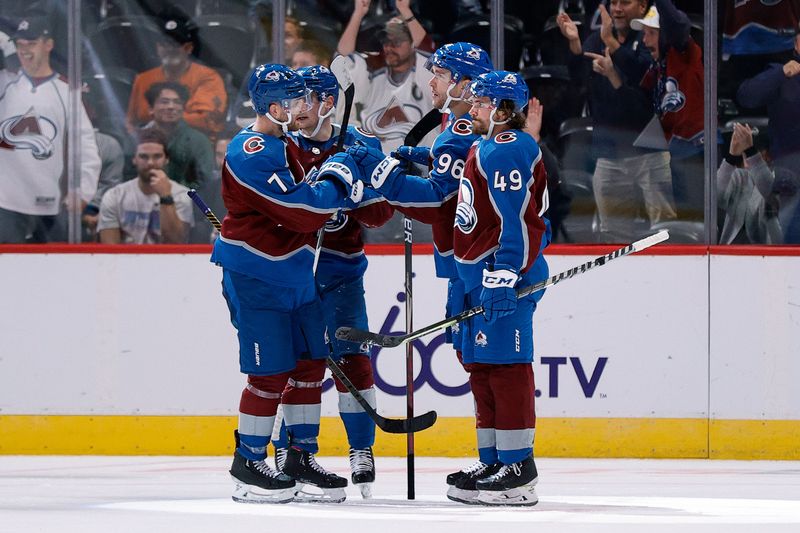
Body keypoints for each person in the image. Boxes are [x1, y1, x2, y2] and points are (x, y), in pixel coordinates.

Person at [347, 70, 549, 506]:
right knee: (483, 370)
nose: (471, 109)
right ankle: (494, 460)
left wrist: (504, 274)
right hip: (480, 275)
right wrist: (416, 159)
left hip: (504, 279)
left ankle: (519, 469)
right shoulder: (485, 145)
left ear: (501, 109)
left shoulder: (507, 150)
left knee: (508, 370)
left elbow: (517, 222)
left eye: (479, 103)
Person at [211, 64, 363, 504]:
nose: (304, 107)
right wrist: (336, 180)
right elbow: (302, 211)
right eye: (295, 100)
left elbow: (313, 193)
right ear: (273, 107)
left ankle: (298, 456)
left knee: (310, 364)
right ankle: (250, 460)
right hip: (257, 276)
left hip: (295, 273)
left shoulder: (284, 142)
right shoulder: (252, 151)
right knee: (270, 371)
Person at [269, 65, 393, 499]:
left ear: (327, 103)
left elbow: (381, 214)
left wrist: (352, 183)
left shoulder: (360, 145)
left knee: (352, 359)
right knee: (300, 365)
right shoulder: (280, 146)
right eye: (290, 99)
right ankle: (296, 451)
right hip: (295, 272)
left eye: (302, 99)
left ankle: (362, 449)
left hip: (341, 271)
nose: (294, 108)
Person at [557, 0, 676, 242]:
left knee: (666, 232)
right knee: (613, 236)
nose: (617, 9)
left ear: (642, 7)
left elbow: (643, 96)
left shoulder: (649, 40)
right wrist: (575, 44)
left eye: (625, 2)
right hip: (609, 154)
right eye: (614, 2)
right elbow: (578, 79)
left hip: (649, 151)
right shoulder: (596, 39)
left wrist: (613, 64)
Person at [0, 16, 100, 243]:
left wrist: (82, 191)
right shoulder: (5, 84)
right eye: (20, 44)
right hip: (4, 204)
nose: (24, 50)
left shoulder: (66, 93)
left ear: (48, 45)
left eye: (31, 43)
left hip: (49, 205)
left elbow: (85, 147)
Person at [627, 0, 704, 220]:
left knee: (697, 221)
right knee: (681, 223)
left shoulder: (684, 53)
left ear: (664, 35)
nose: (644, 40)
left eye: (650, 33)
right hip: (676, 154)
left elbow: (678, 25)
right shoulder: (658, 68)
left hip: (696, 151)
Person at [336, 0, 435, 153]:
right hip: (375, 165)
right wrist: (358, 14)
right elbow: (343, 60)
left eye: (396, 41)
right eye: (386, 41)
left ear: (411, 45)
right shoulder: (373, 77)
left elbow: (427, 50)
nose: (389, 47)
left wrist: (405, 10)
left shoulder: (427, 77)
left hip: (419, 166)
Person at [126, 8, 227, 140]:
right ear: (158, 48)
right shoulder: (143, 79)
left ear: (189, 48)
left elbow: (204, 120)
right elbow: (130, 121)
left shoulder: (208, 77)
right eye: (165, 43)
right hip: (150, 144)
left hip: (194, 143)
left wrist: (157, 121)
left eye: (176, 44)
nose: (170, 49)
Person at [97, 129, 194, 244]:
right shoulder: (114, 196)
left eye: (157, 156)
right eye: (144, 157)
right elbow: (109, 251)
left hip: (167, 261)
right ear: (134, 159)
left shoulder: (182, 195)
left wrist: (166, 196)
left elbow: (176, 242)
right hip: (125, 261)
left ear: (166, 160)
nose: (150, 163)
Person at [142, 81, 214, 192]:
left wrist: (172, 192)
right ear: (151, 108)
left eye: (177, 102)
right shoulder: (137, 139)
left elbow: (205, 183)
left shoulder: (199, 141)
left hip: (185, 202)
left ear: (183, 108)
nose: (171, 107)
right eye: (164, 102)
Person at [716, 123, 781, 244]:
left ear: (766, 155)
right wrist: (730, 159)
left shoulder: (780, 176)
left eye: (750, 153)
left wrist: (751, 152)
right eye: (744, 153)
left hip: (767, 254)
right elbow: (715, 197)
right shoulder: (739, 176)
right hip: (728, 253)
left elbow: (771, 195)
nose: (746, 158)